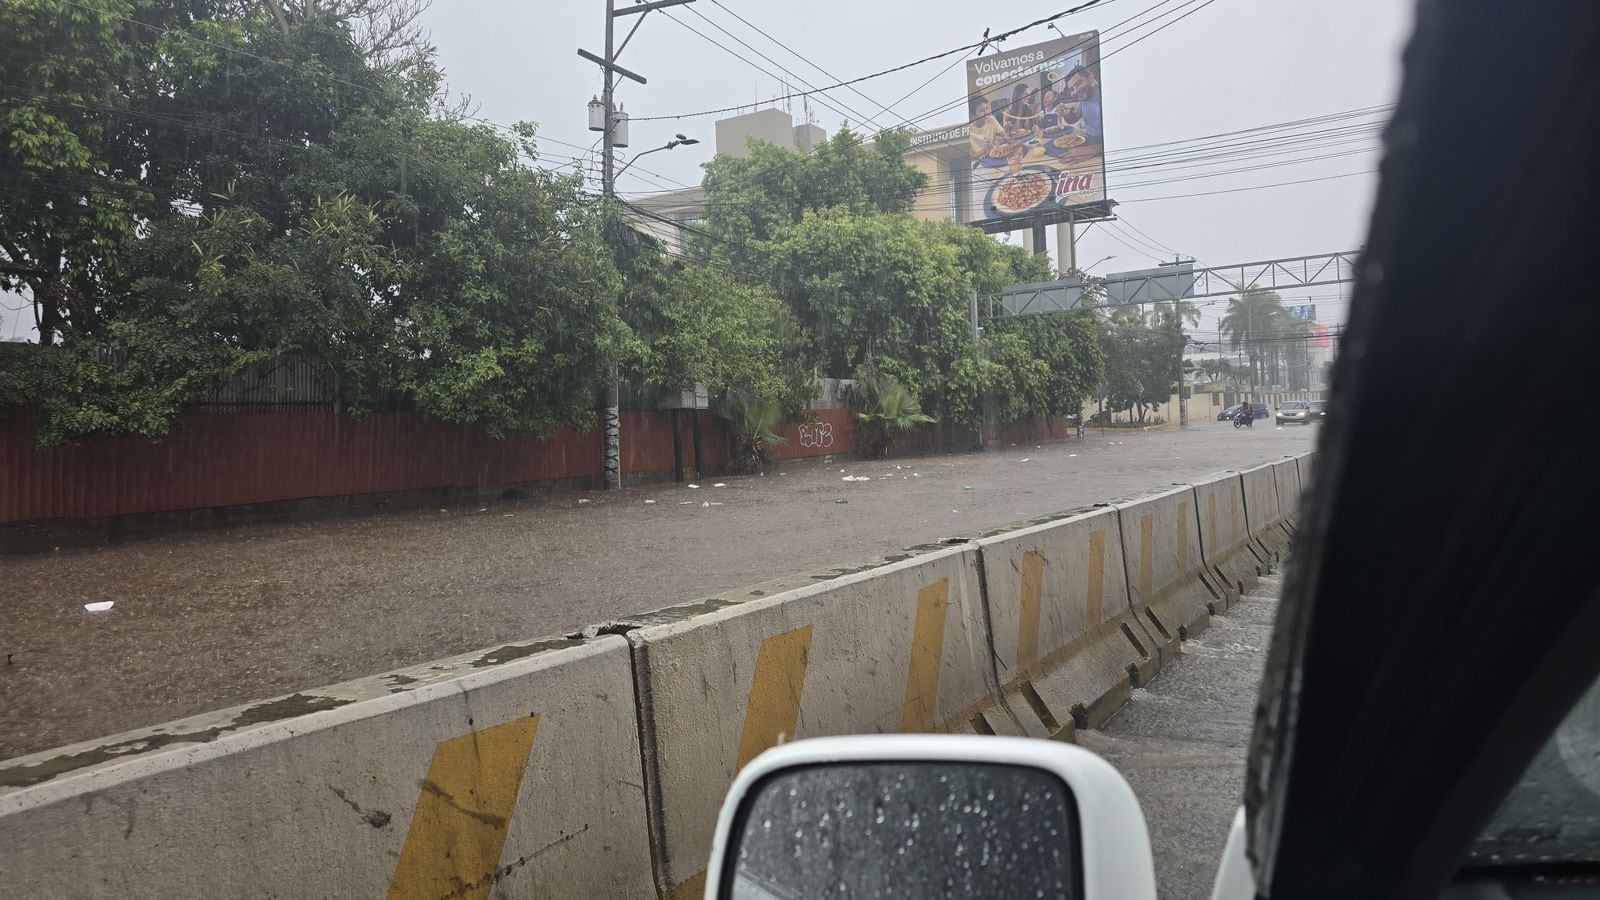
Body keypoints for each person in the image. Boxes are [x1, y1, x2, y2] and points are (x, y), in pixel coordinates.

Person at [1064, 66, 1103, 141]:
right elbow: (1074, 118)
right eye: (1072, 89)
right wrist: (1066, 114)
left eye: (1078, 83)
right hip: (1089, 138)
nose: (1075, 92)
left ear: (1090, 77)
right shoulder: (1083, 99)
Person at [967, 95, 1005, 160]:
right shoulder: (968, 131)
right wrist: (984, 150)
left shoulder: (991, 119)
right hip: (980, 163)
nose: (987, 112)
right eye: (982, 111)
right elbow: (970, 157)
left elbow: (1005, 136)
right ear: (973, 116)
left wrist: (1000, 141)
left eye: (987, 108)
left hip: (995, 157)